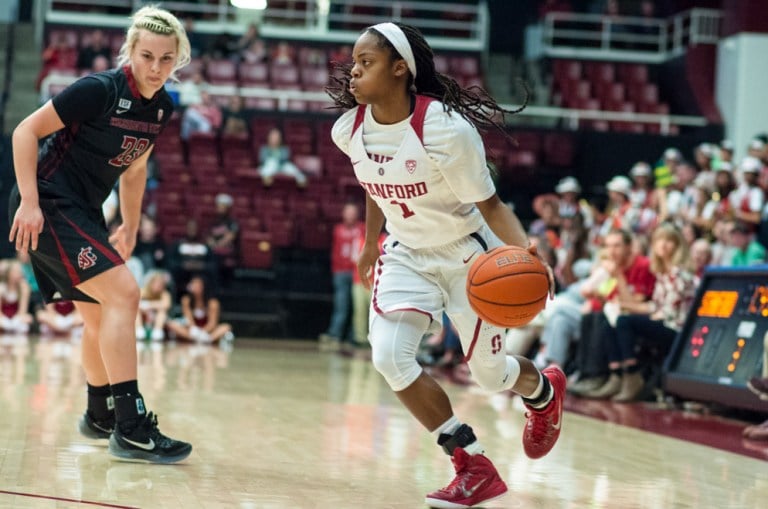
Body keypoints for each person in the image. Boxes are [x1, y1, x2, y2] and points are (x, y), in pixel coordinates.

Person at [326, 22, 565, 508]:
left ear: (399, 69)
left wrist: (530, 254)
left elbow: (492, 205)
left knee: (491, 376)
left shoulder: (445, 129)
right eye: (353, 61)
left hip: (467, 255)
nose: (353, 71)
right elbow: (375, 184)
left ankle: (542, 391)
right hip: (407, 254)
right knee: (389, 356)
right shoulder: (348, 130)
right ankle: (471, 464)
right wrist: (371, 244)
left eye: (365, 62)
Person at [8, 5, 192, 463]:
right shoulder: (99, 90)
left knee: (98, 312)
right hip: (47, 200)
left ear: (178, 60)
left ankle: (99, 413)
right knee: (126, 295)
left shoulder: (162, 107)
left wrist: (129, 223)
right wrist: (29, 202)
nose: (155, 67)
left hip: (83, 210)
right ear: (129, 51)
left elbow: (136, 168)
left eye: (166, 59)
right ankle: (130, 427)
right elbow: (24, 132)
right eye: (147, 56)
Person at [589, 223, 698, 402]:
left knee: (625, 321)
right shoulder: (663, 273)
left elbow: (666, 312)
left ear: (678, 246)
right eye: (659, 240)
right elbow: (655, 306)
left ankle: (632, 375)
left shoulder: (680, 274)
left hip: (676, 328)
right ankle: (617, 375)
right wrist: (624, 305)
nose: (663, 245)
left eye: (669, 241)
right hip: (662, 320)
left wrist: (632, 309)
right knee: (610, 322)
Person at [319, 202, 364, 351]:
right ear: (343, 214)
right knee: (341, 305)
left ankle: (354, 336)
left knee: (358, 307)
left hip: (358, 272)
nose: (350, 215)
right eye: (348, 212)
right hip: (341, 272)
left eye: (353, 212)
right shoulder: (338, 229)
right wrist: (335, 270)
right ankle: (335, 334)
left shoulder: (362, 228)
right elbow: (335, 251)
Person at [166, 275, 233, 343]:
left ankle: (208, 339)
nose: (195, 287)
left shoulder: (213, 303)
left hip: (208, 332)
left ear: (204, 287)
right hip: (192, 331)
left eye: (198, 285)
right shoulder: (186, 300)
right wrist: (196, 332)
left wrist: (202, 333)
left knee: (226, 327)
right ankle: (198, 339)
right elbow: (189, 320)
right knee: (172, 324)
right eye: (193, 285)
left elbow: (212, 323)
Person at [136, 270, 172, 342]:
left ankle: (157, 332)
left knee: (162, 311)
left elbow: (166, 305)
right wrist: (145, 309)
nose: (159, 286)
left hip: (157, 320)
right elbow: (134, 304)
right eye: (157, 283)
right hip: (144, 318)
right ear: (151, 283)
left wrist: (148, 305)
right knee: (136, 311)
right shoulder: (143, 291)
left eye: (161, 284)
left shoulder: (165, 293)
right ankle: (139, 330)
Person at [0, 260, 34, 334]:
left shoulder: (24, 288)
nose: (19, 274)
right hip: (3, 318)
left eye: (20, 272)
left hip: (17, 318)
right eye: (15, 271)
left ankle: (9, 329)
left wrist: (24, 290)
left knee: (27, 320)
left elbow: (22, 311)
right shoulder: (2, 288)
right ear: (9, 273)